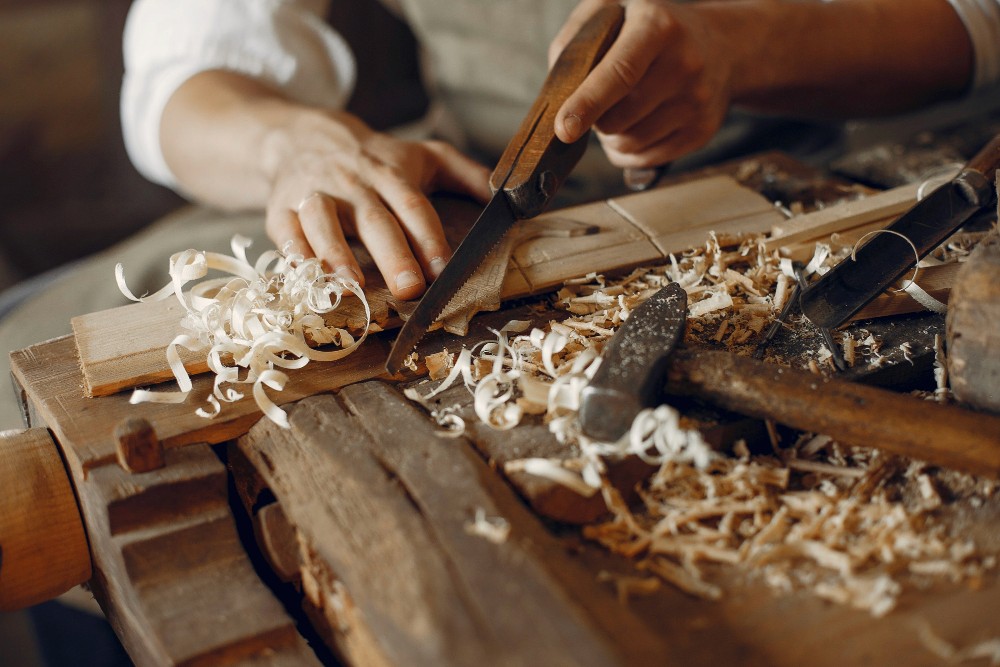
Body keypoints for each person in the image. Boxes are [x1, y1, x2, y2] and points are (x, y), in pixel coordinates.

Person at [0, 0, 998, 429]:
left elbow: (977, 23)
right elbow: (183, 70)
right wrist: (291, 144)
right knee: (39, 379)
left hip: (823, 173)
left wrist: (740, 47)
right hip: (476, 189)